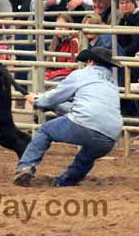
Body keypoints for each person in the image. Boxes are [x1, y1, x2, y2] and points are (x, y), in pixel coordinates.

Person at [14, 47, 123, 187]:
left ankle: (26, 167)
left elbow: (54, 97)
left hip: (85, 123)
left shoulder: (81, 74)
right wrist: (55, 107)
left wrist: (37, 100)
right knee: (87, 157)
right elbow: (87, 107)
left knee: (45, 131)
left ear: (90, 62)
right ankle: (64, 182)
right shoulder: (112, 83)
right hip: (111, 135)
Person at [45, 14, 79, 81]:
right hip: (56, 75)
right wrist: (48, 73)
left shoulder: (74, 42)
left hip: (67, 77)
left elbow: (71, 69)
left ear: (70, 28)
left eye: (63, 26)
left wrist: (52, 74)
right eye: (57, 26)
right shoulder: (55, 42)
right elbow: (49, 66)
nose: (59, 28)